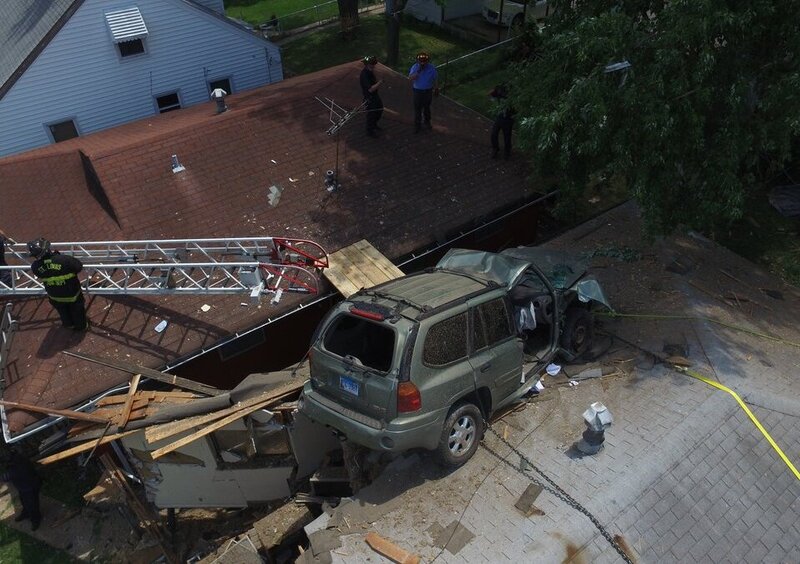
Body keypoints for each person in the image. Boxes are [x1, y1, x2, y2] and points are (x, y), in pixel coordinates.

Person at [28, 237, 88, 331]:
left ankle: (68, 324)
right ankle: (82, 327)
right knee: (77, 311)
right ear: (48, 248)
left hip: (55, 296)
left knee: (63, 311)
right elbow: (78, 266)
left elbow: (41, 273)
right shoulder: (64, 260)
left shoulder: (35, 267)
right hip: (72, 294)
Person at [1, 450, 42, 531]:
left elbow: (8, 476)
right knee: (23, 500)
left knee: (32, 504)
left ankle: (36, 520)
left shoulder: (19, 465)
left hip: (30, 486)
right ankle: (26, 513)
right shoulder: (15, 458)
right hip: (22, 486)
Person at [408, 52, 438, 133]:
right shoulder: (415, 67)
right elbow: (410, 78)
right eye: (421, 61)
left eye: (424, 61)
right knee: (417, 109)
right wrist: (418, 71)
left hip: (428, 91)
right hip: (417, 92)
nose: (423, 63)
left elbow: (435, 79)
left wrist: (436, 88)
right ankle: (417, 126)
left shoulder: (432, 68)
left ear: (427, 61)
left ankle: (427, 122)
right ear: (418, 61)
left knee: (427, 108)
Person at [360, 56, 384, 138]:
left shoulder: (370, 72)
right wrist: (380, 82)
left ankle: (374, 125)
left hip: (375, 96)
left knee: (380, 109)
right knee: (371, 115)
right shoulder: (364, 74)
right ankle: (370, 131)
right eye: (373, 64)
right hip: (369, 98)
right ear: (368, 65)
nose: (374, 65)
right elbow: (370, 89)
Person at [489, 84, 515, 159]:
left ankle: (507, 151)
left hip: (508, 119)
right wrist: (494, 91)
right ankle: (495, 148)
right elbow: (490, 95)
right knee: (494, 133)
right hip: (499, 117)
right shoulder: (499, 96)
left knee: (507, 136)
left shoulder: (511, 99)